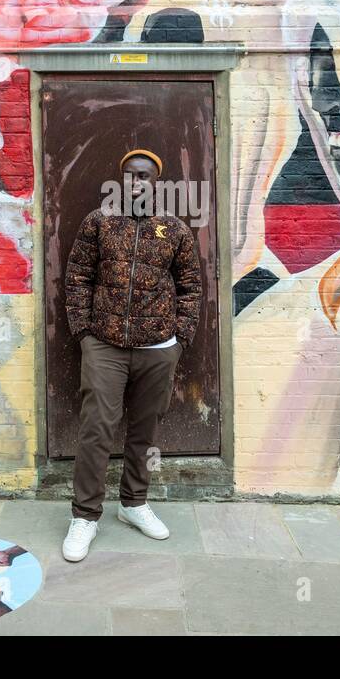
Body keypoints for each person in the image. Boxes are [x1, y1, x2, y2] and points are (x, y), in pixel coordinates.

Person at [60, 148, 202, 561]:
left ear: (156, 182)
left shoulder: (172, 229)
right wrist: (84, 333)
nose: (137, 182)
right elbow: (77, 278)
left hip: (158, 348)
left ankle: (134, 504)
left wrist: (180, 339)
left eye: (144, 176)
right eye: (130, 175)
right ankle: (85, 515)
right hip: (104, 345)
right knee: (96, 428)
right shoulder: (99, 222)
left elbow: (191, 284)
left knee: (145, 431)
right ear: (121, 179)